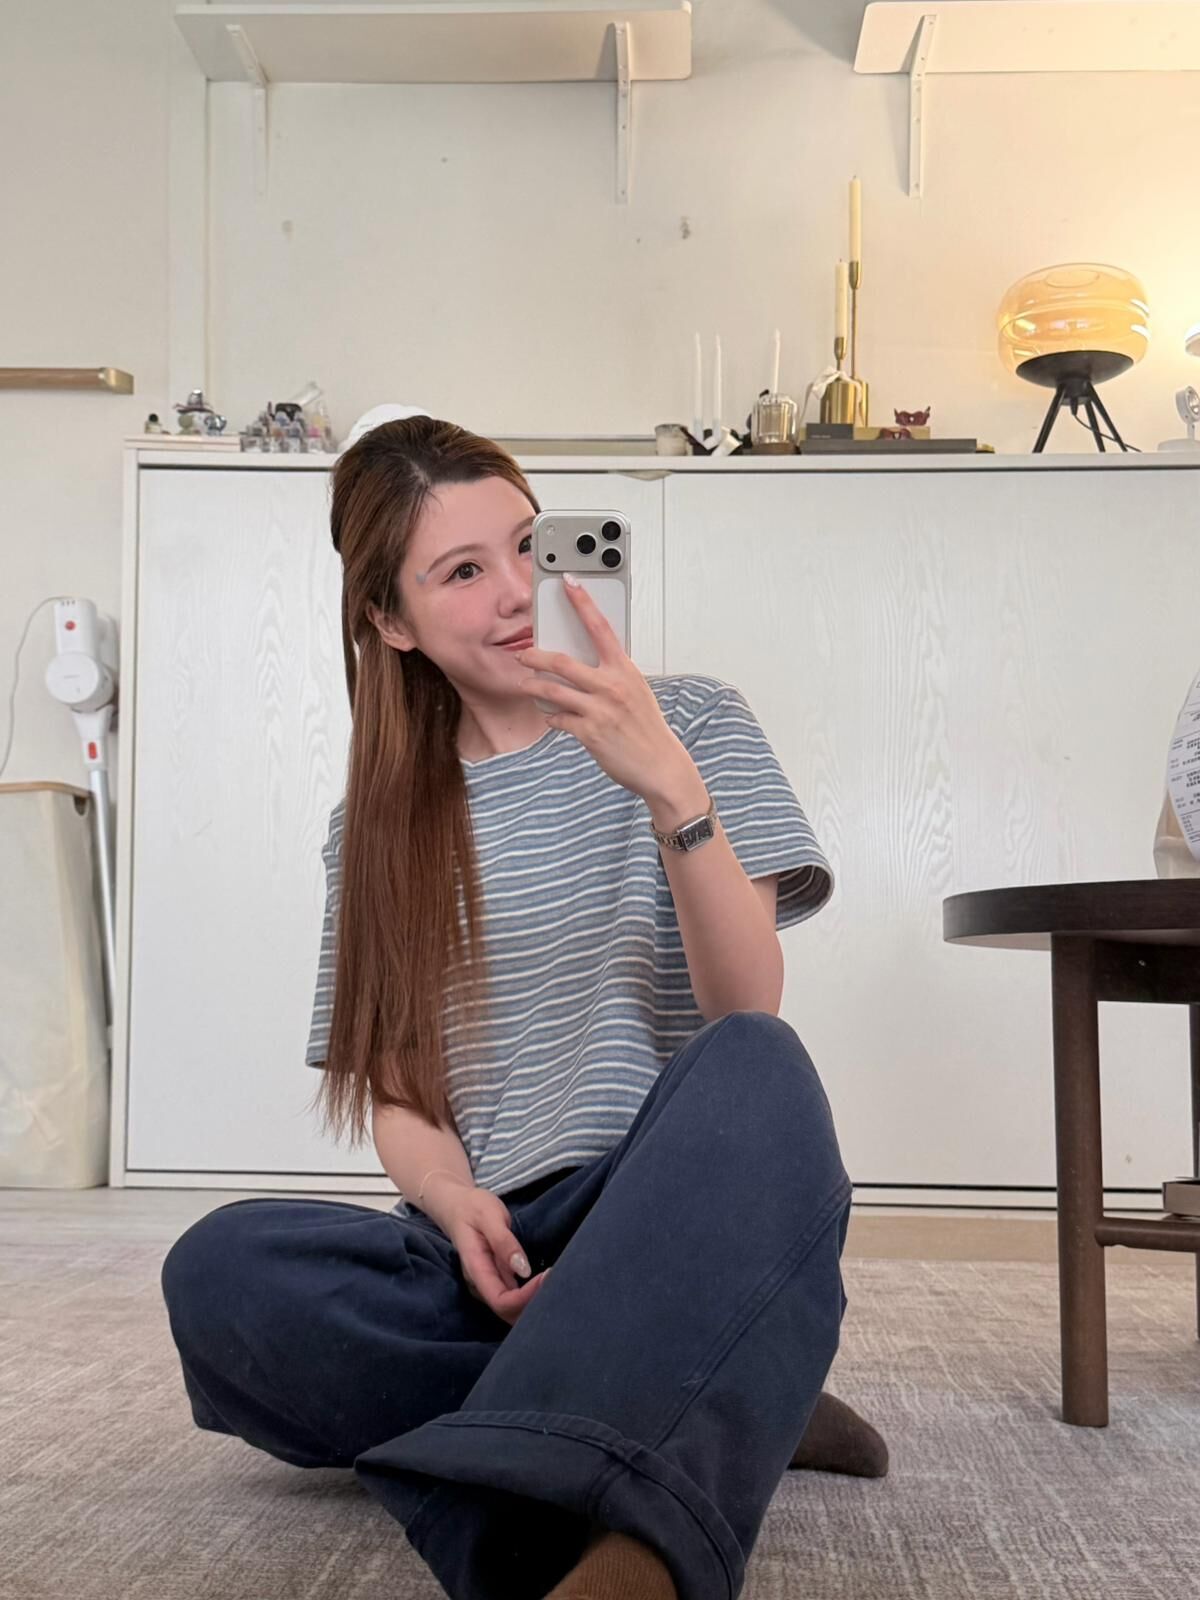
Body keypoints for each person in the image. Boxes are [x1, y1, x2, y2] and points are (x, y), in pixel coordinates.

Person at [161, 412, 886, 1600]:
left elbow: (742, 1000)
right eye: (461, 570)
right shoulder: (374, 829)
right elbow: (402, 1095)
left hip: (664, 1212)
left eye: (526, 546)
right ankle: (725, 1385)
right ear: (391, 622)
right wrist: (453, 1203)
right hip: (487, 1246)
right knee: (221, 1275)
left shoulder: (695, 722)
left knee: (760, 1064)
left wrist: (670, 790)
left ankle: (632, 1509)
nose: (513, 591)